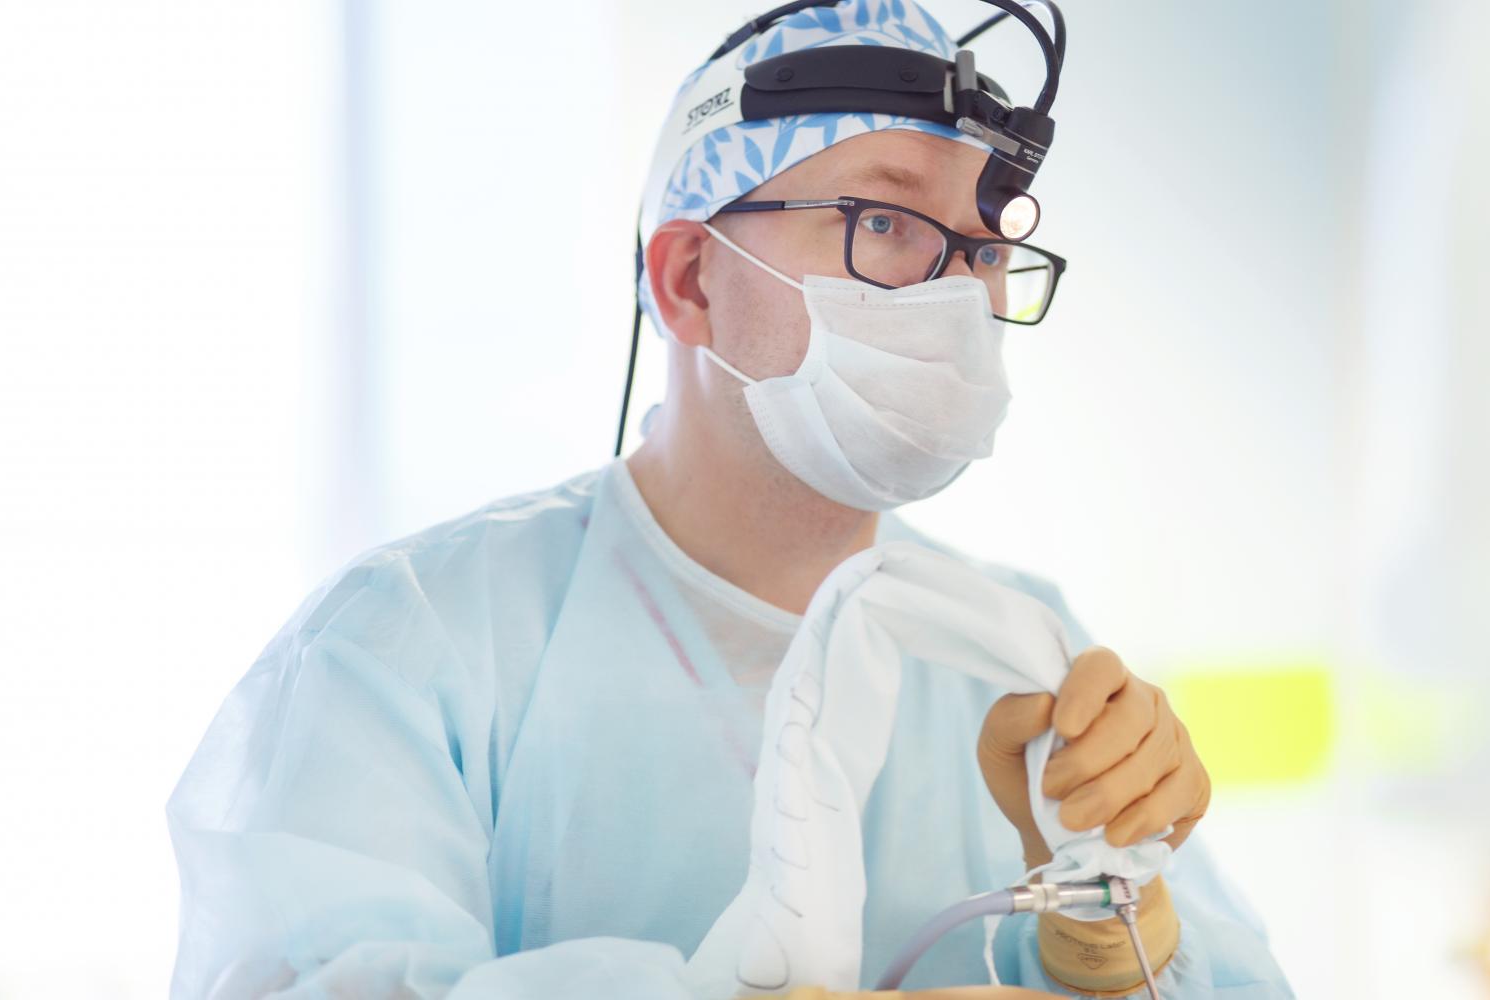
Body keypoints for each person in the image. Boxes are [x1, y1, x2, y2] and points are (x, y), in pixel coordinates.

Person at [167, 2, 1293, 997]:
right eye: (886, 224)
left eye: (985, 249)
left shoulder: (1022, 655)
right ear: (691, 280)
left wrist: (1118, 932)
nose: (958, 296)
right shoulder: (412, 643)